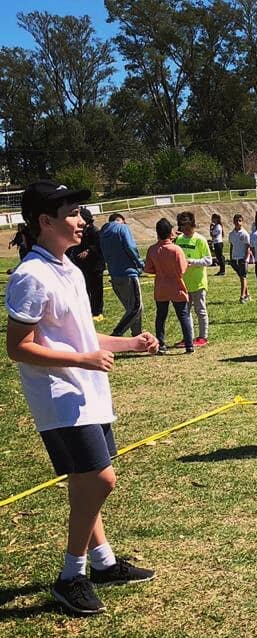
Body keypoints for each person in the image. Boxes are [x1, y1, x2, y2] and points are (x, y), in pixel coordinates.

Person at [5, 180, 159, 615]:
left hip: (86, 392)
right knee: (100, 480)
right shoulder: (31, 276)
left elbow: (82, 336)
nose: (81, 220)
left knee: (87, 482)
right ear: (44, 221)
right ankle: (70, 575)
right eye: (72, 213)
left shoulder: (69, 268)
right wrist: (85, 360)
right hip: (59, 398)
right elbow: (18, 347)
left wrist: (130, 345)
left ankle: (103, 562)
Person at [145, 218, 191, 354]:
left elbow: (148, 269)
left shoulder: (152, 249)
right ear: (170, 232)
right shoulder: (176, 249)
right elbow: (182, 269)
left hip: (161, 287)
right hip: (176, 287)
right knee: (183, 316)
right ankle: (189, 345)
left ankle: (161, 344)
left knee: (161, 316)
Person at [99, 213, 144, 338]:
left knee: (132, 308)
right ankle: (116, 335)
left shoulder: (103, 232)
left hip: (114, 274)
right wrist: (140, 263)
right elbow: (130, 246)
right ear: (121, 220)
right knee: (136, 308)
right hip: (128, 273)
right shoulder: (122, 228)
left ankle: (137, 335)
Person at [175, 211, 213, 347]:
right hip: (184, 282)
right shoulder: (178, 240)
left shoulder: (200, 240)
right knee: (185, 312)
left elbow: (209, 260)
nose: (185, 230)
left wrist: (194, 262)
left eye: (187, 226)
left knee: (200, 310)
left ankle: (203, 337)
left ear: (193, 225)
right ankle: (188, 337)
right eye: (182, 227)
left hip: (198, 282)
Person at [67, 208, 105, 319]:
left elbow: (99, 246)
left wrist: (88, 251)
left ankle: (97, 311)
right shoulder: (80, 232)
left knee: (97, 290)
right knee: (86, 289)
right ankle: (87, 310)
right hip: (84, 266)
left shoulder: (95, 231)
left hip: (96, 266)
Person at [227, 213, 251, 303]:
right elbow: (232, 246)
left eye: (239, 221)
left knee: (243, 277)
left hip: (242, 258)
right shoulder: (231, 234)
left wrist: (245, 258)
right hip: (234, 258)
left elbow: (248, 246)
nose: (238, 222)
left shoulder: (245, 234)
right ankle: (247, 294)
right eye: (236, 220)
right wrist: (231, 257)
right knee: (241, 277)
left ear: (242, 222)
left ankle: (242, 296)